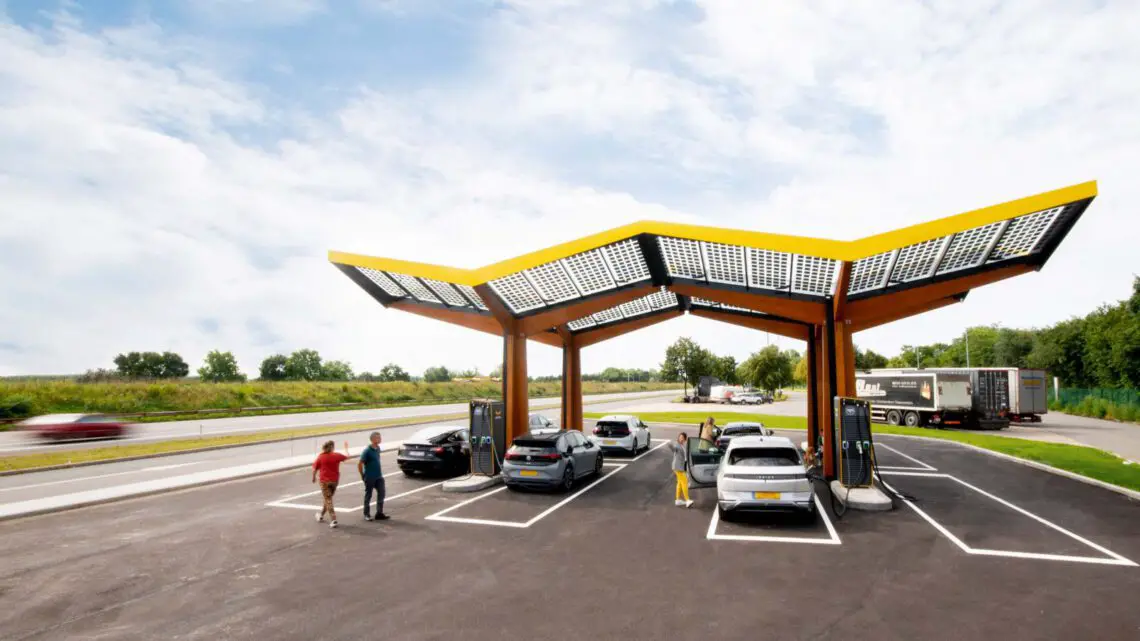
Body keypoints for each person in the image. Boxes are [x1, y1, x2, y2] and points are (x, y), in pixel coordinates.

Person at [312, 440, 350, 529]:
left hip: (324, 481)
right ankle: (320, 515)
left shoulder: (321, 457)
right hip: (334, 481)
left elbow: (314, 469)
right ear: (332, 447)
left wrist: (313, 477)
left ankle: (333, 519)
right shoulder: (336, 456)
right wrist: (346, 448)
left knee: (328, 499)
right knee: (328, 499)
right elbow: (347, 456)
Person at [358, 431, 388, 521]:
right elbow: (360, 463)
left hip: (379, 476)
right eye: (378, 438)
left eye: (380, 437)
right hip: (370, 476)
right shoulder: (367, 451)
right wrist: (362, 475)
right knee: (368, 495)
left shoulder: (378, 448)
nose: (380, 439)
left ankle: (379, 513)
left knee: (382, 493)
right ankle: (366, 514)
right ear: (372, 439)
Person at [666, 432, 693, 508]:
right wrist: (669, 444)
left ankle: (678, 500)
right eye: (680, 437)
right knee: (684, 482)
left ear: (685, 439)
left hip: (680, 467)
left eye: (682, 437)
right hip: (678, 467)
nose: (680, 438)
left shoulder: (682, 445)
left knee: (680, 483)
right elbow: (674, 449)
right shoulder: (677, 445)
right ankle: (687, 500)